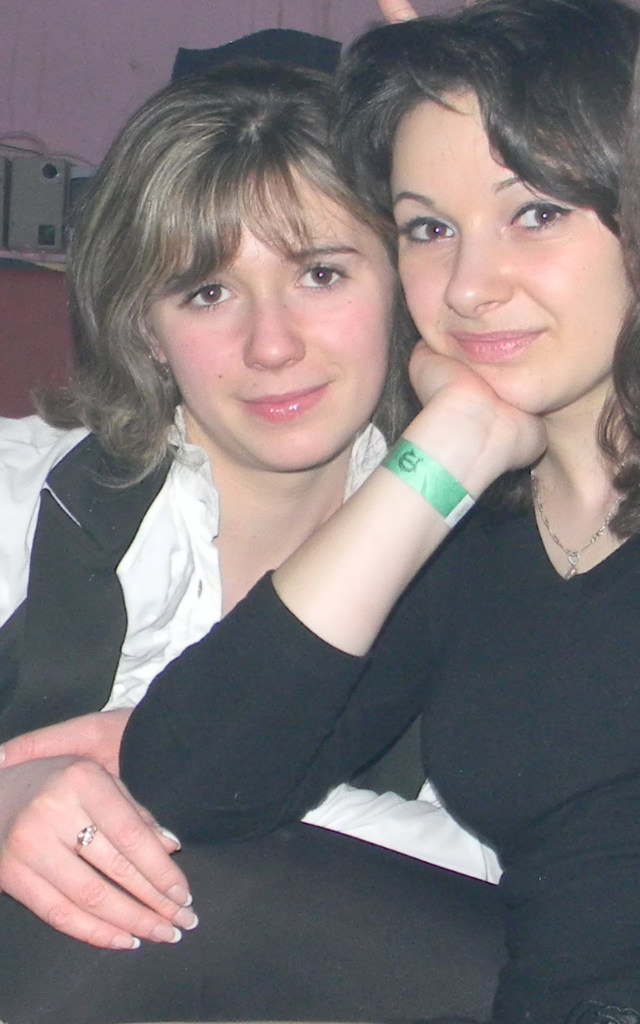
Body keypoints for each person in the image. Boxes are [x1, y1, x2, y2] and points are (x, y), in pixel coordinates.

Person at [96, 0, 640, 1020]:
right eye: (429, 229)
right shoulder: (477, 540)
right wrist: (451, 448)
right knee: (138, 914)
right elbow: (196, 781)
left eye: (535, 212)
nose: (469, 287)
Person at [0, 55, 512, 1024]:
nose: (271, 344)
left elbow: (522, 889)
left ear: (404, 286)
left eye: (320, 273)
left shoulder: (492, 556)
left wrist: (166, 784)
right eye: (206, 292)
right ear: (145, 330)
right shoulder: (22, 500)